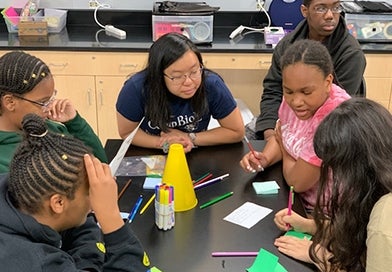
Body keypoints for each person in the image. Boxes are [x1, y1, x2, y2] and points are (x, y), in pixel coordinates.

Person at [0, 113, 153, 272]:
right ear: (58, 202)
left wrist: (85, 269)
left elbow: (79, 223)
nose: (97, 199)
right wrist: (110, 215)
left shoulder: (24, 185)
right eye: (90, 193)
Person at [274, 98, 392, 272]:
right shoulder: (381, 184)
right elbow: (360, 233)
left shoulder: (385, 216)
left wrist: (324, 259)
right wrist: (309, 226)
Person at [240, 39, 350, 212]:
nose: (296, 101)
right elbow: (282, 133)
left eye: (306, 92)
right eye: (288, 91)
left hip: (326, 214)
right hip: (296, 198)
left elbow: (297, 182)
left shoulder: (335, 119)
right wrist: (266, 158)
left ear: (328, 82)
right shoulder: (294, 98)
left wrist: (284, 149)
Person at [254, 0, 366, 140]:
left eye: (336, 7)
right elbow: (273, 91)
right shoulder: (286, 45)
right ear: (304, 11)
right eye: (321, 8)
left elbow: (336, 110)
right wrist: (270, 132)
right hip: (288, 127)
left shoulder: (351, 54)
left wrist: (295, 142)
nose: (330, 15)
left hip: (329, 133)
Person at [116, 32, 245, 153]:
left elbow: (236, 131)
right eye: (177, 76)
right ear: (158, 76)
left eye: (194, 71)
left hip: (196, 152)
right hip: (151, 154)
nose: (189, 82)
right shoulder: (136, 88)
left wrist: (189, 137)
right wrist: (164, 143)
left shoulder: (212, 84)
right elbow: (127, 132)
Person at [0, 50, 107, 174]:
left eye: (51, 98)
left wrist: (75, 123)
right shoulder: (3, 162)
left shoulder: (53, 129)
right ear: (10, 102)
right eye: (43, 102)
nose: (50, 107)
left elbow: (102, 166)